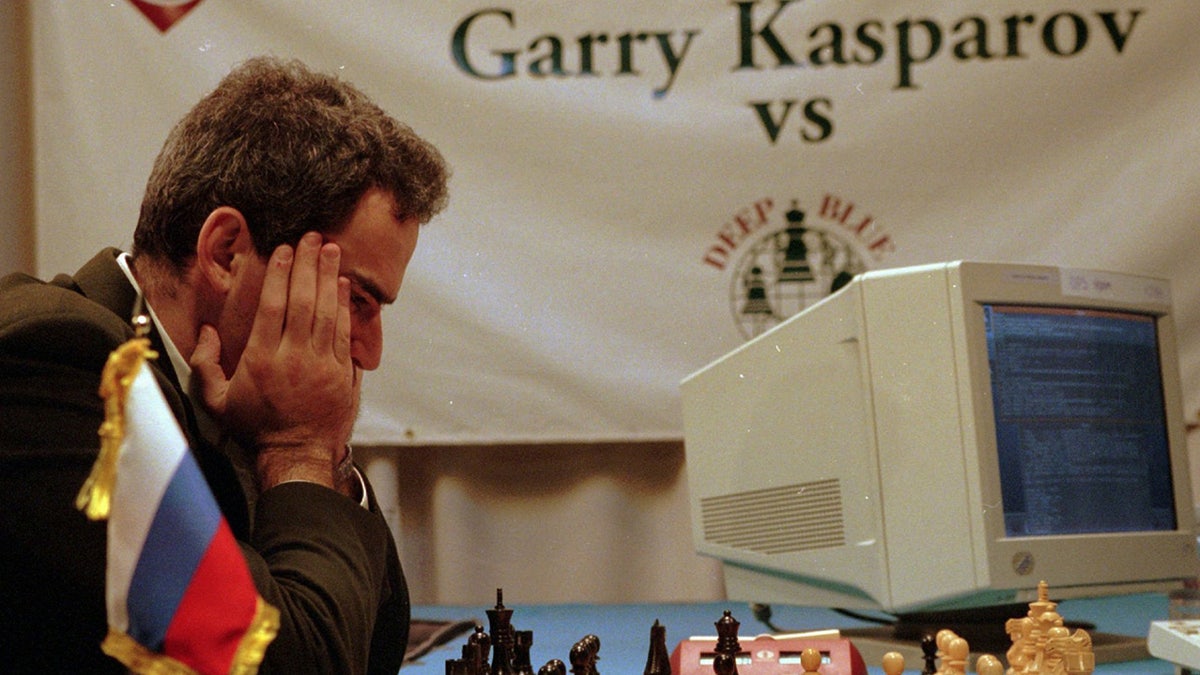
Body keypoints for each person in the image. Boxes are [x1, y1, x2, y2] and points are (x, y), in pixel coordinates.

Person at [0, 56, 449, 673]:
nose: (369, 350)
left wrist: (315, 457)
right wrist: (300, 451)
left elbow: (372, 644)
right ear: (226, 252)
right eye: (358, 300)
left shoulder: (217, 397)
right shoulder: (61, 365)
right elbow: (286, 664)